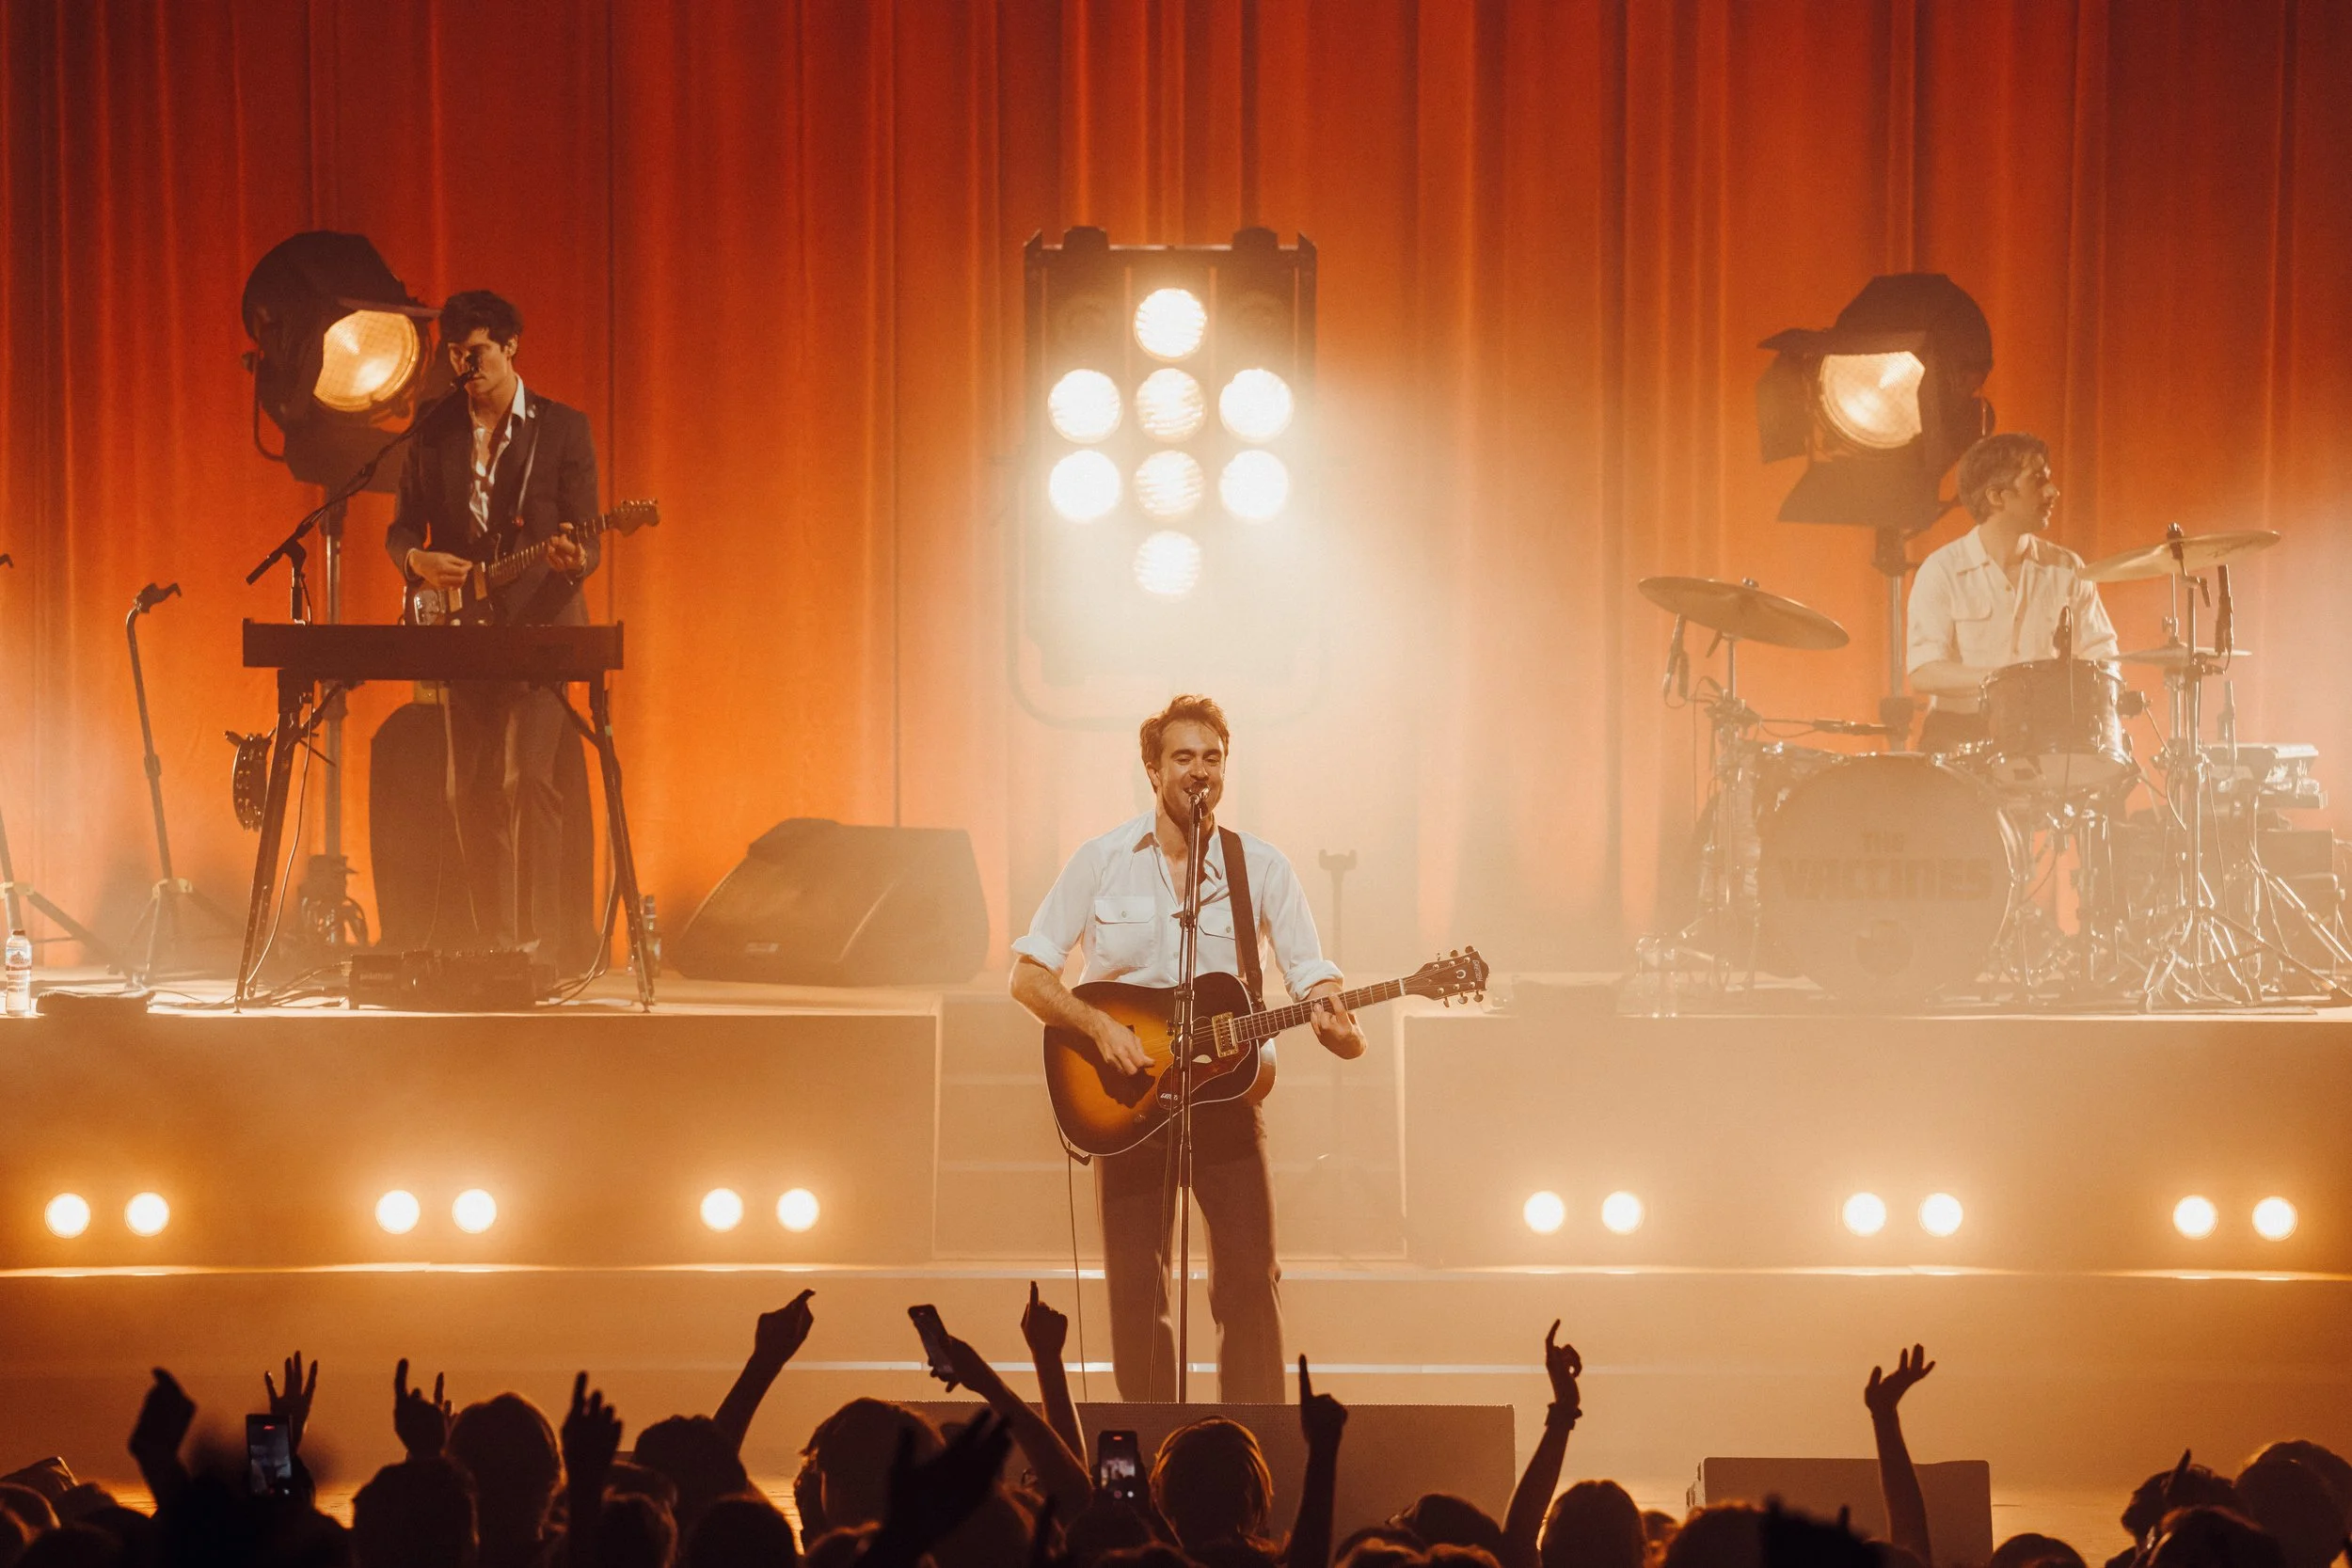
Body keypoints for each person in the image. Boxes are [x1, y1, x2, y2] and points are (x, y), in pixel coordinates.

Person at [1009, 694, 1364, 1403]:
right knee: (1136, 1291)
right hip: (1125, 1098)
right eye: (1183, 757)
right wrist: (1098, 1027)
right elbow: (1028, 974)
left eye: (1212, 757)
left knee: (1249, 1282)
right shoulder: (1102, 859)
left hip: (1225, 1100)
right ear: (1152, 768)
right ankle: (1147, 1447)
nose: (1199, 771)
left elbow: (1311, 971)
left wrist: (1338, 1020)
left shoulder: (1258, 865)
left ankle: (1251, 1448)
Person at [386, 289, 600, 956]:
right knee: (469, 790)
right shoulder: (433, 425)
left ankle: (545, 945)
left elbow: (587, 534)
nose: (464, 366)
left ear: (510, 347)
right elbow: (400, 529)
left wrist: (575, 559)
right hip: (463, 629)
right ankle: (496, 947)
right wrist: (417, 560)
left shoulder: (562, 428)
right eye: (454, 354)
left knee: (529, 779)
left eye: (475, 351)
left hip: (538, 627)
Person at [1905, 433, 2117, 753]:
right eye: (2037, 481)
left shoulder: (2066, 567)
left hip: (2048, 733)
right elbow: (1924, 672)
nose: (2053, 491)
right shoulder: (1942, 570)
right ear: (1997, 496)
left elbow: (2102, 654)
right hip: (1960, 733)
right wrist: (2007, 681)